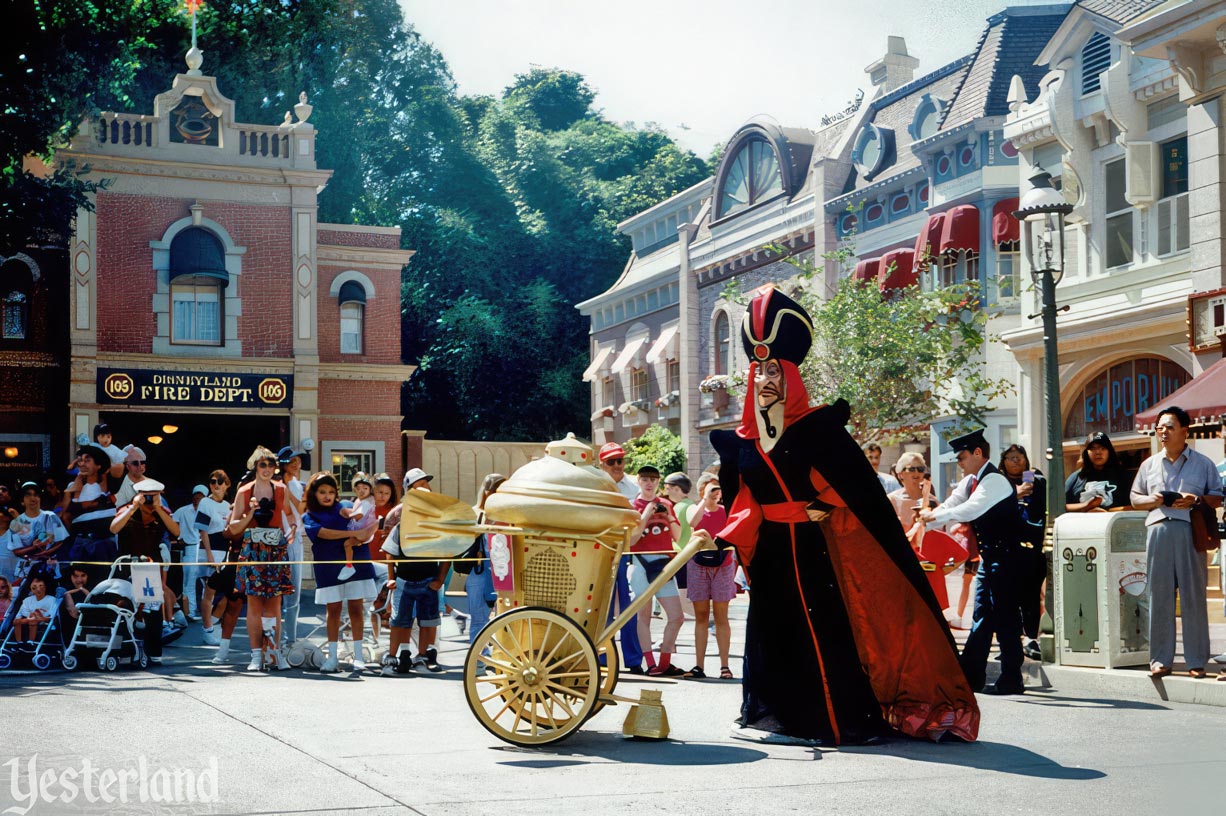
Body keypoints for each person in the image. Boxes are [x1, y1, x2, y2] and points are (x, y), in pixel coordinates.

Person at [707, 285, 978, 744]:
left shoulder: (818, 427)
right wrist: (733, 527)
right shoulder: (741, 442)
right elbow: (743, 497)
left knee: (822, 629)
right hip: (771, 552)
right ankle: (775, 715)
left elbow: (855, 485)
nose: (766, 379)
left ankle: (833, 720)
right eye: (759, 371)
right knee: (772, 632)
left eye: (775, 370)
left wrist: (822, 504)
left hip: (814, 548)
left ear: (791, 375)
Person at [920, 429, 1026, 695]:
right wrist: (932, 514)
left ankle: (1011, 678)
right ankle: (970, 676)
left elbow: (971, 509)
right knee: (981, 616)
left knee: (1005, 619)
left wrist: (933, 519)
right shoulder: (971, 481)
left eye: (962, 456)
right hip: (990, 559)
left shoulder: (995, 481)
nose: (959, 462)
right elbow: (952, 503)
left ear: (978, 453)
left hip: (1008, 558)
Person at [1128, 406, 1223, 679]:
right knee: (1158, 597)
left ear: (1185, 430)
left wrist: (1195, 499)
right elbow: (1135, 497)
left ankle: (1196, 660)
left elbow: (1216, 496)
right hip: (1157, 531)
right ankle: (1160, 660)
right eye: (1159, 427)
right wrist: (1154, 499)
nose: (1163, 432)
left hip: (1190, 530)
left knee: (1193, 597)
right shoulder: (1148, 465)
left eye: (1169, 426)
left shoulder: (1203, 463)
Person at [303, 472, 379, 673]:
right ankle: (332, 657)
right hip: (328, 567)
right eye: (322, 492)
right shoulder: (309, 515)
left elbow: (370, 524)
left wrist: (363, 534)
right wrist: (353, 534)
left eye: (331, 491)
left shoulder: (348, 506)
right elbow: (323, 533)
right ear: (314, 493)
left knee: (356, 608)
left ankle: (359, 656)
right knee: (333, 611)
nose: (327, 495)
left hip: (356, 564)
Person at [229, 447, 294, 672]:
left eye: (270, 465)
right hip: (253, 549)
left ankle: (274, 652)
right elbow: (233, 526)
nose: (267, 469)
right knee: (254, 605)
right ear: (255, 467)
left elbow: (289, 514)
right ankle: (256, 654)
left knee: (275, 606)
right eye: (262, 465)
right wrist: (250, 514)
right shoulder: (244, 492)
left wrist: (292, 528)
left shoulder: (281, 489)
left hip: (276, 549)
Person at [380, 469, 448, 675]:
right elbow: (389, 552)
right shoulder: (400, 522)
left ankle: (424, 656)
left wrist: (440, 580)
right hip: (404, 581)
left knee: (429, 620)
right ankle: (399, 656)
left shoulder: (437, 526)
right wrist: (392, 579)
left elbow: (447, 554)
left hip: (428, 580)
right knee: (400, 621)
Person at [110, 478, 180, 666]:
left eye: (153, 496)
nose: (149, 500)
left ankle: (154, 652)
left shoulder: (162, 512)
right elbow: (113, 528)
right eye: (146, 496)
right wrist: (134, 507)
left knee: (153, 611)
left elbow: (176, 531)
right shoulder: (127, 510)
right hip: (127, 565)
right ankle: (122, 649)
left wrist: (158, 508)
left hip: (149, 568)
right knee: (123, 607)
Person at [887, 454, 966, 613]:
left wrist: (943, 568)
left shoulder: (933, 502)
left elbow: (941, 538)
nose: (917, 473)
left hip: (928, 571)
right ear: (901, 473)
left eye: (921, 469)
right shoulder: (891, 500)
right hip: (901, 567)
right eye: (912, 469)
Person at [629, 465, 684, 676]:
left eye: (653, 478)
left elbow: (679, 537)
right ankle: (650, 663)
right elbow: (632, 539)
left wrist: (668, 514)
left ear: (659, 481)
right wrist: (645, 513)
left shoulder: (666, 504)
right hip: (640, 562)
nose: (649, 482)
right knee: (644, 616)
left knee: (676, 616)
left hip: (663, 562)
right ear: (638, 481)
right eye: (644, 479)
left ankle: (664, 662)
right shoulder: (633, 506)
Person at [598, 442, 644, 673]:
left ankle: (633, 660)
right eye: (612, 461)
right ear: (602, 464)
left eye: (620, 460)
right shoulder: (595, 485)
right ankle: (603, 658)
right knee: (600, 607)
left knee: (629, 607)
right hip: (600, 551)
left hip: (626, 552)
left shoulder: (634, 487)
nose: (617, 465)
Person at [683, 479, 735, 679]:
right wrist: (705, 500)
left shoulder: (725, 510)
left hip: (723, 563)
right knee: (701, 616)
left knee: (722, 616)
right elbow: (693, 523)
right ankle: (699, 665)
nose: (715, 492)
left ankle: (725, 665)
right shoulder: (694, 508)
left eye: (717, 488)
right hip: (698, 564)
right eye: (711, 488)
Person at [999, 444, 1046, 661]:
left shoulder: (1032, 478)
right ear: (1003, 461)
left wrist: (1031, 479)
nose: (1015, 461)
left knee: (1030, 595)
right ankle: (1010, 642)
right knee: (1007, 597)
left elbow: (1034, 498)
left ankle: (1031, 637)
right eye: (1010, 457)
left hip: (1031, 546)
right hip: (1006, 547)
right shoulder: (998, 481)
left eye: (1019, 457)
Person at [60, 445, 119, 589]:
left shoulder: (109, 484)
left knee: (105, 583)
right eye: (79, 460)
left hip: (105, 543)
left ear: (98, 465)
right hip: (82, 543)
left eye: (87, 460)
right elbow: (65, 514)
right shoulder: (72, 486)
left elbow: (119, 463)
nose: (81, 464)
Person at [462, 473, 506, 648]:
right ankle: (479, 660)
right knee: (479, 619)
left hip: (503, 571)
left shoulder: (509, 515)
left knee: (503, 619)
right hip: (479, 571)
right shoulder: (475, 513)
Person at [8, 481, 69, 583]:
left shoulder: (51, 516)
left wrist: (46, 553)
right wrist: (34, 547)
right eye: (28, 495)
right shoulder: (16, 523)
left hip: (49, 567)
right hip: (25, 570)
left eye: (36, 495)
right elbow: (16, 551)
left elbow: (61, 541)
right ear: (22, 501)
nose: (33, 498)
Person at [277, 446, 307, 647]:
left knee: (293, 589)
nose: (295, 464)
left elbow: (303, 510)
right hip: (276, 537)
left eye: (298, 460)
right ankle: (273, 639)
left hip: (295, 538)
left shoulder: (298, 484)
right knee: (273, 589)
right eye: (291, 460)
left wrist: (289, 491)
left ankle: (291, 639)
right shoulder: (276, 484)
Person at [169, 484, 209, 626]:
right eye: (195, 497)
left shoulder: (209, 511)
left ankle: (206, 611)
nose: (197, 500)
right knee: (189, 582)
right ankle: (190, 612)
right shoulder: (182, 511)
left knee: (208, 582)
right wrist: (179, 539)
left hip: (205, 549)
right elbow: (172, 525)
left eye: (200, 497)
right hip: (190, 548)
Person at [367, 474, 399, 642]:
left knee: (386, 606)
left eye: (386, 493)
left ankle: (389, 643)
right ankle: (374, 639)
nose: (382, 496)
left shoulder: (395, 512)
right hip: (367, 560)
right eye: (379, 492)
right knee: (370, 604)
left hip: (386, 564)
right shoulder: (365, 508)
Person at [1065, 432, 1132, 512]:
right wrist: (1087, 506)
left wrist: (1106, 512)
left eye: (1102, 448)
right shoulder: (1075, 478)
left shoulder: (1123, 476)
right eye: (1093, 448)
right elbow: (1060, 507)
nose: (1098, 452)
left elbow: (1133, 507)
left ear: (1109, 451)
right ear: (1086, 452)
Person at [663, 472, 696, 619]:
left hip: (679, 556)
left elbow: (673, 533)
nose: (665, 491)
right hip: (689, 555)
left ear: (677, 489)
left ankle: (710, 621)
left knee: (682, 599)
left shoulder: (678, 508)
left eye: (667, 487)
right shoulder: (690, 505)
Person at [12, 576, 56, 642]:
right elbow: (19, 615)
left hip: (44, 620)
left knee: (33, 620)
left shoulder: (52, 599)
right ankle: (19, 642)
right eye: (35, 586)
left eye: (41, 586)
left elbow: (52, 616)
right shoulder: (27, 600)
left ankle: (31, 642)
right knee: (17, 621)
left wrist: (37, 617)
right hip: (30, 618)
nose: (38, 589)